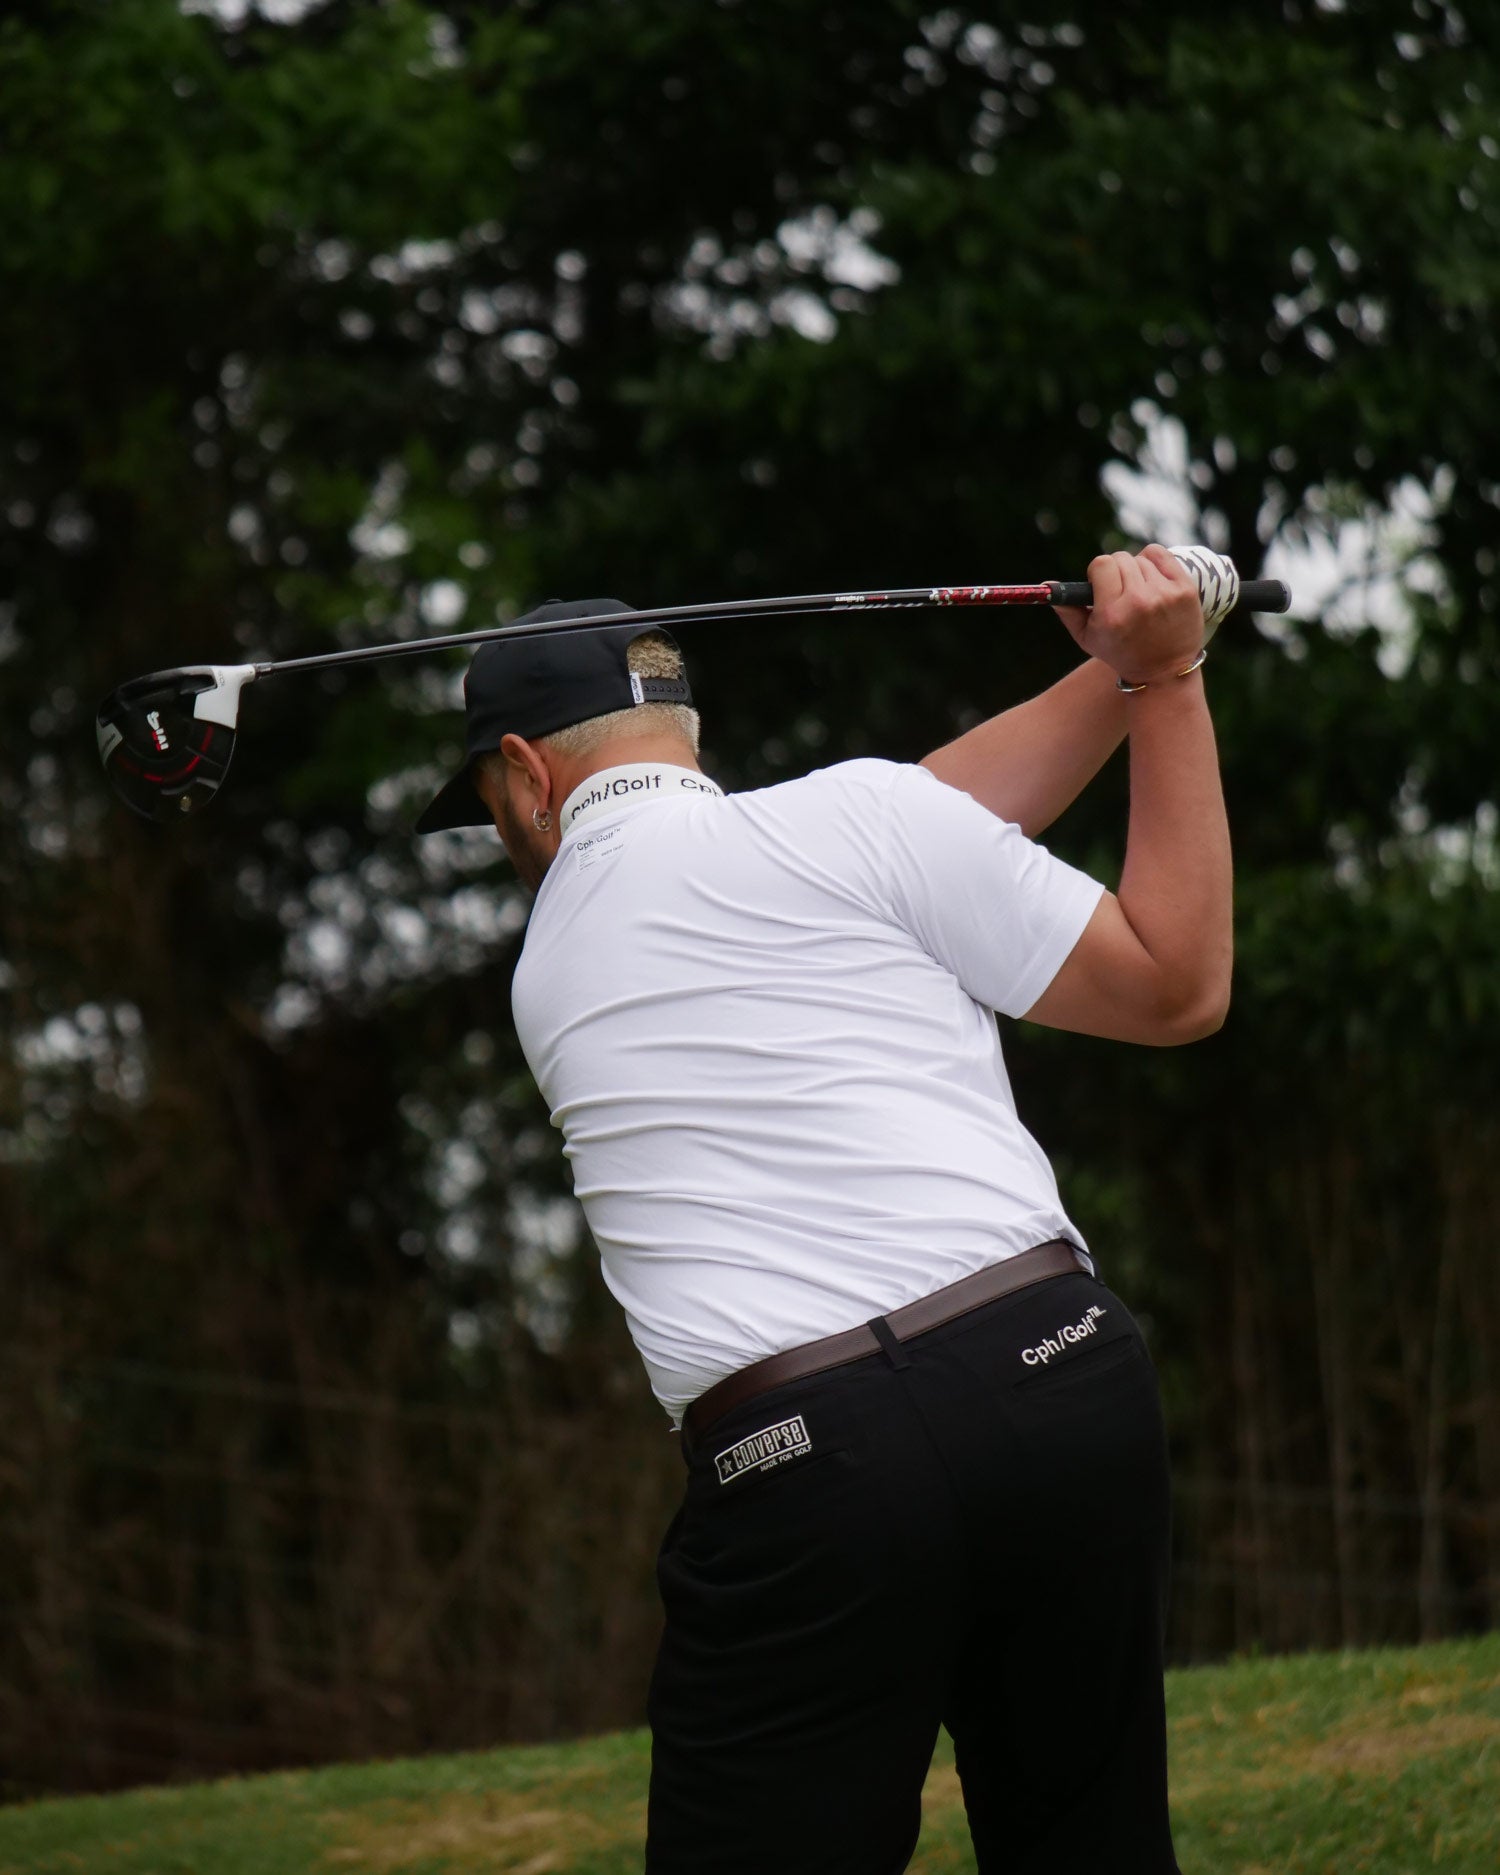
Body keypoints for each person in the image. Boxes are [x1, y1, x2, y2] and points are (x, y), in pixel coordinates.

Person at [415, 545, 1230, 1874]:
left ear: (524, 774)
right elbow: (1162, 978)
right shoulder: (855, 821)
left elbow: (951, 825)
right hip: (1063, 1378)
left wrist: (1133, 666)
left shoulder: (557, 949)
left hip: (808, 1467)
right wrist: (1166, 673)